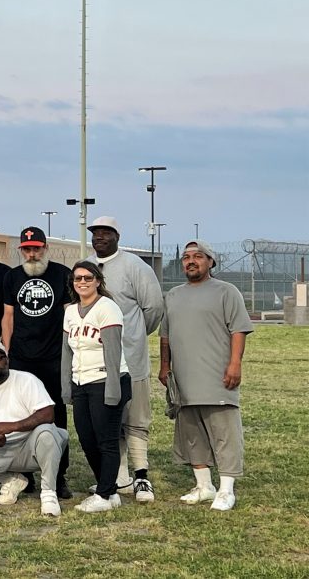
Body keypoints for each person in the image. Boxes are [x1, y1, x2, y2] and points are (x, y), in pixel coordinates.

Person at [159, 240, 253, 512]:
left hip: (217, 377)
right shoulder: (174, 295)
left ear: (211, 262)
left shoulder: (226, 291)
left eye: (198, 256)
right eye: (187, 257)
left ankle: (225, 490)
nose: (191, 261)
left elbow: (239, 330)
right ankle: (204, 485)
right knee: (191, 433)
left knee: (225, 434)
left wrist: (235, 364)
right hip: (185, 381)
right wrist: (165, 366)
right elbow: (165, 335)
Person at [87, 215, 164, 502]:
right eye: (95, 233)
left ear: (117, 236)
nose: (100, 238)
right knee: (110, 420)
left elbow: (153, 307)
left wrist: (135, 334)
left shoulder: (134, 266)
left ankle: (141, 475)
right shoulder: (86, 266)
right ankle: (119, 477)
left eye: (106, 233)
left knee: (135, 417)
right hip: (98, 362)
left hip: (131, 359)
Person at [0, 340, 68, 517]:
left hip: (32, 443)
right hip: (3, 448)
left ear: (7, 360)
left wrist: (13, 426)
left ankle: (49, 493)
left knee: (46, 431)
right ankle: (12, 481)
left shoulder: (27, 380)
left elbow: (48, 414)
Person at [2, 226, 73, 498]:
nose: (32, 254)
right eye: (27, 249)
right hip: (22, 358)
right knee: (22, 417)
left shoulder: (61, 275)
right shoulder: (12, 277)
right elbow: (8, 317)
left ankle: (58, 474)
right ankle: (26, 474)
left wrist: (69, 352)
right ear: (21, 250)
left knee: (56, 417)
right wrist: (7, 352)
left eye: (37, 248)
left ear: (46, 249)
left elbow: (69, 316)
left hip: (53, 357)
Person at [62, 260, 131, 513]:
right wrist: (66, 386)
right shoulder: (70, 311)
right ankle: (109, 489)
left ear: (98, 281)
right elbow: (66, 353)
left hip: (106, 380)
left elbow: (114, 351)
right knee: (87, 438)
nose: (82, 282)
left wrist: (114, 389)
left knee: (107, 440)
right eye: (77, 278)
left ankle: (103, 495)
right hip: (81, 381)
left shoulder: (107, 308)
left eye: (88, 278)